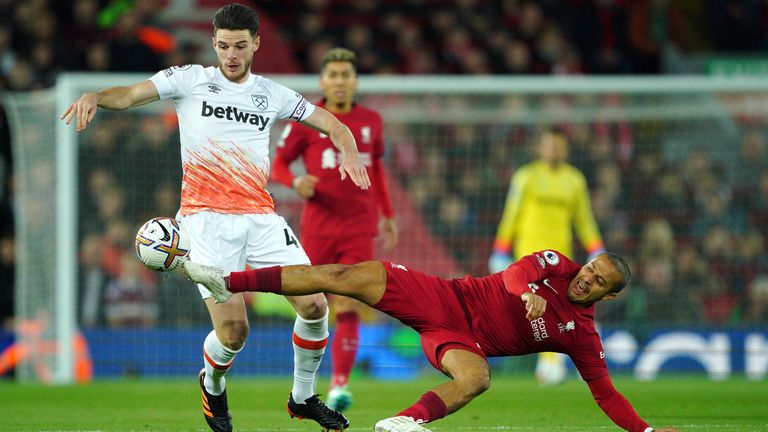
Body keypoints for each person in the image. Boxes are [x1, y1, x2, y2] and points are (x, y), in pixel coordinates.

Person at [60, 4, 369, 431]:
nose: (232, 55)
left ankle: (302, 397)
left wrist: (348, 146)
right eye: (224, 46)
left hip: (261, 218)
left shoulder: (270, 93)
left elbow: (330, 122)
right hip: (205, 222)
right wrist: (96, 96)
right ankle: (213, 384)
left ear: (256, 44)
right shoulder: (189, 79)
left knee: (316, 305)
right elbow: (130, 95)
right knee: (234, 335)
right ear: (214, 44)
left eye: (241, 46)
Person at [182, 251, 678, 432]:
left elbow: (605, 393)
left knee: (478, 378)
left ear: (607, 296)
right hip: (444, 298)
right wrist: (528, 294)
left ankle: (403, 422)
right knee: (342, 276)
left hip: (461, 342)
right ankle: (232, 281)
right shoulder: (553, 264)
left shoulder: (584, 336)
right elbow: (512, 276)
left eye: (598, 281)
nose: (586, 279)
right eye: (591, 269)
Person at [271, 46, 398, 412]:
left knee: (350, 303)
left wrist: (387, 214)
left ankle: (340, 383)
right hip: (319, 227)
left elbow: (376, 170)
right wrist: (295, 183)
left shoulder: (372, 121)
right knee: (312, 302)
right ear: (323, 80)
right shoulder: (308, 118)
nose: (340, 81)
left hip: (359, 226)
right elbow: (279, 164)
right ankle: (304, 381)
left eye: (346, 75)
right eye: (333, 75)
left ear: (355, 80)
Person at [489, 127, 606, 385]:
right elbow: (512, 213)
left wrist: (596, 247)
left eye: (558, 145)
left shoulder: (575, 180)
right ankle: (552, 362)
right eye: (550, 144)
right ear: (540, 148)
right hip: (529, 256)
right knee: (543, 309)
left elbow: (584, 218)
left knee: (561, 309)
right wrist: (500, 248)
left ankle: (561, 361)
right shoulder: (526, 177)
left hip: (561, 258)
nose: (554, 149)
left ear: (566, 149)